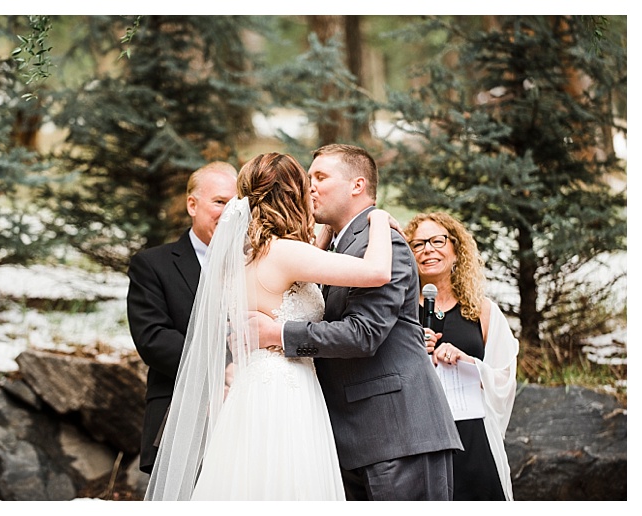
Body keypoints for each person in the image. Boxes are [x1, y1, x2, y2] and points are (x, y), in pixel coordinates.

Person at [147, 152, 398, 500]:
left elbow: (306, 262)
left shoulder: (241, 259)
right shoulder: (286, 254)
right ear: (293, 194)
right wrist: (380, 218)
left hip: (252, 391)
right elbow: (378, 272)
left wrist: (322, 236)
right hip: (286, 391)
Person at [251, 144, 463, 500]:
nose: (309, 187)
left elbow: (365, 334)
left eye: (320, 177)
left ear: (357, 185)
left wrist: (280, 333)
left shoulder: (385, 244)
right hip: (350, 436)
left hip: (397, 432)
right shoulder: (332, 248)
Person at [127, 161, 236, 475]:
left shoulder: (257, 262)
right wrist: (222, 369)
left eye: (235, 204)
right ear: (192, 204)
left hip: (248, 411)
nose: (228, 213)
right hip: (179, 414)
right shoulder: (153, 265)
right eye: (219, 202)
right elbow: (153, 338)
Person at [407, 212, 520, 500]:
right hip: (420, 437)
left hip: (473, 437)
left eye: (437, 240)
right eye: (417, 244)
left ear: (456, 250)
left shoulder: (483, 311)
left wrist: (469, 362)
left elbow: (505, 379)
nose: (427, 249)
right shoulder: (399, 313)